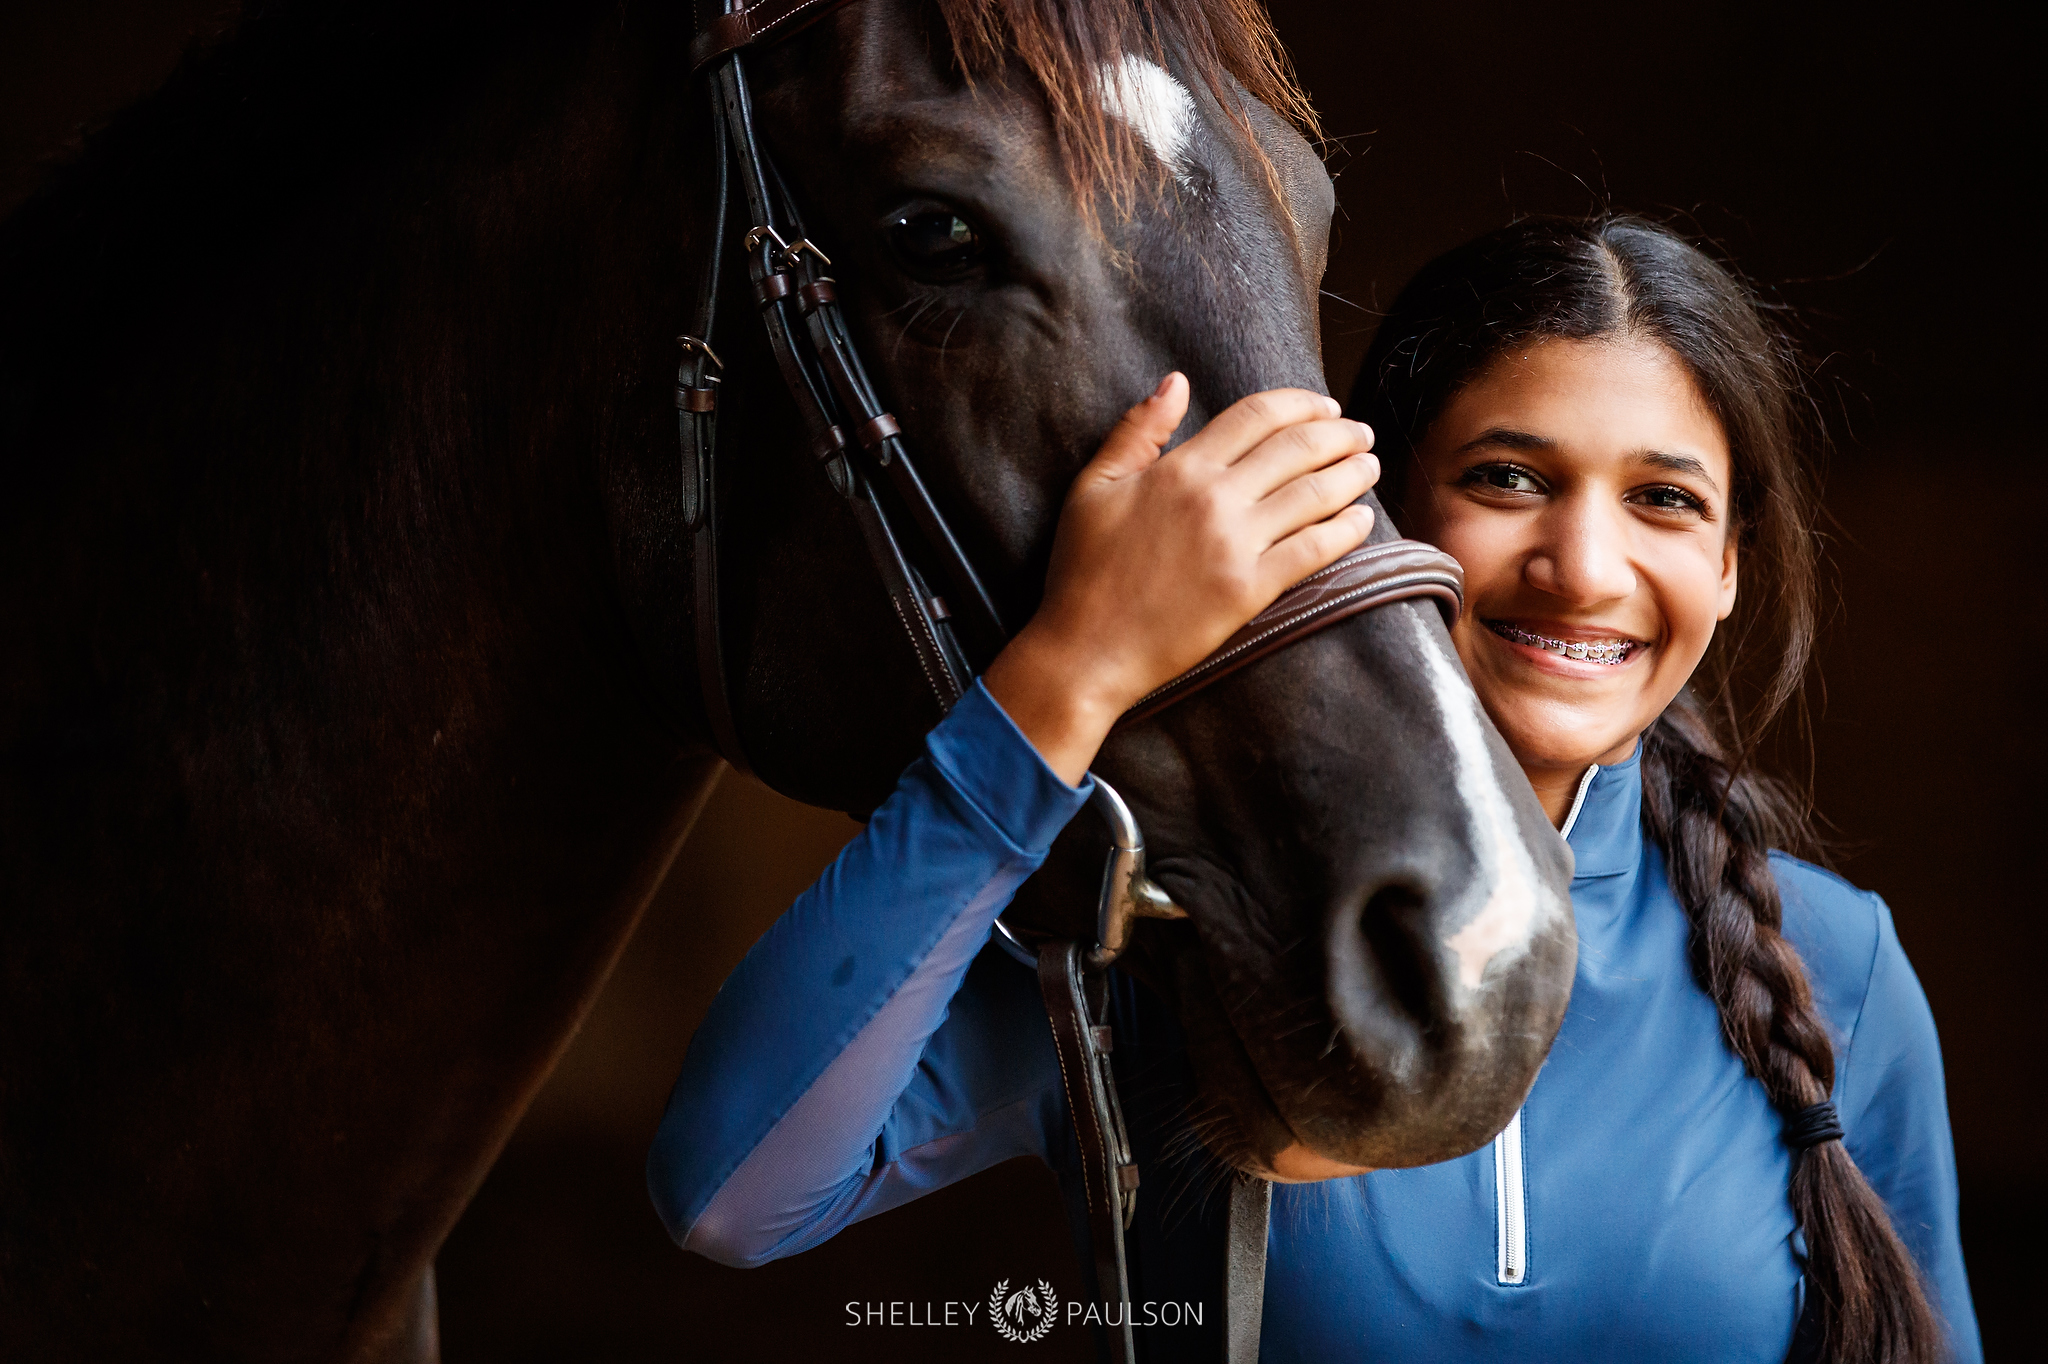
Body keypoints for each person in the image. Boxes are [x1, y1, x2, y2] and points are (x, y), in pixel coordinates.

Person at [646, 216, 1978, 1363]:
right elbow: (733, 1190)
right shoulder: (1174, 933)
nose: (1583, 565)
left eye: (1664, 501)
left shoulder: (1834, 967)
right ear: (1370, 508)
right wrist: (1066, 675)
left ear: (1732, 564)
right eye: (1507, 480)